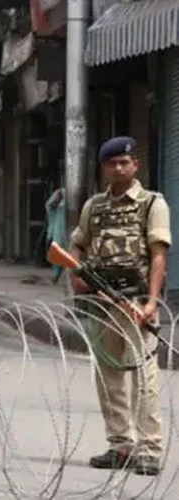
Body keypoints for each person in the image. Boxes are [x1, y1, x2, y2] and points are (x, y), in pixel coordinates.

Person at [68, 136, 170, 476]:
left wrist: (152, 302)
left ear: (135, 165)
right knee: (108, 374)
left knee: (144, 375)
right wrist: (76, 276)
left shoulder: (152, 203)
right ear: (104, 168)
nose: (119, 167)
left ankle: (150, 448)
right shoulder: (94, 207)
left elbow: (158, 255)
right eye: (112, 163)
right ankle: (120, 445)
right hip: (101, 302)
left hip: (136, 301)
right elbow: (77, 245)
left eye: (125, 161)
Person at [45, 179, 66, 283]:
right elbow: (49, 205)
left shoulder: (72, 197)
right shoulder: (60, 195)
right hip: (58, 231)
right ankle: (56, 275)